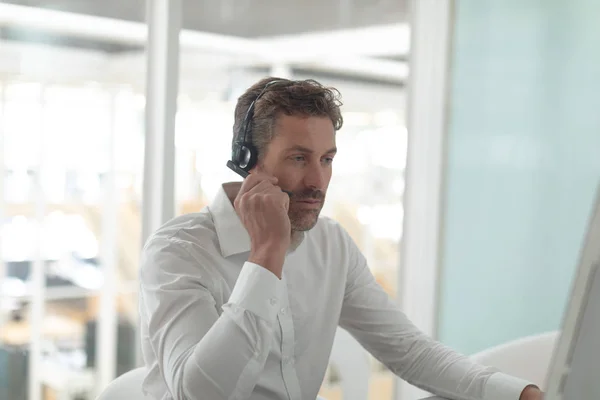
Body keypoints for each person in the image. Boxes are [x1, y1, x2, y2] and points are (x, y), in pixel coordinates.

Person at [139, 77, 544, 400]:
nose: (318, 182)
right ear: (248, 162)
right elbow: (199, 394)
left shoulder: (330, 245)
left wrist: (520, 393)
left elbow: (408, 350)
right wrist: (267, 255)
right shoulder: (178, 252)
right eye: (299, 158)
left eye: (327, 159)